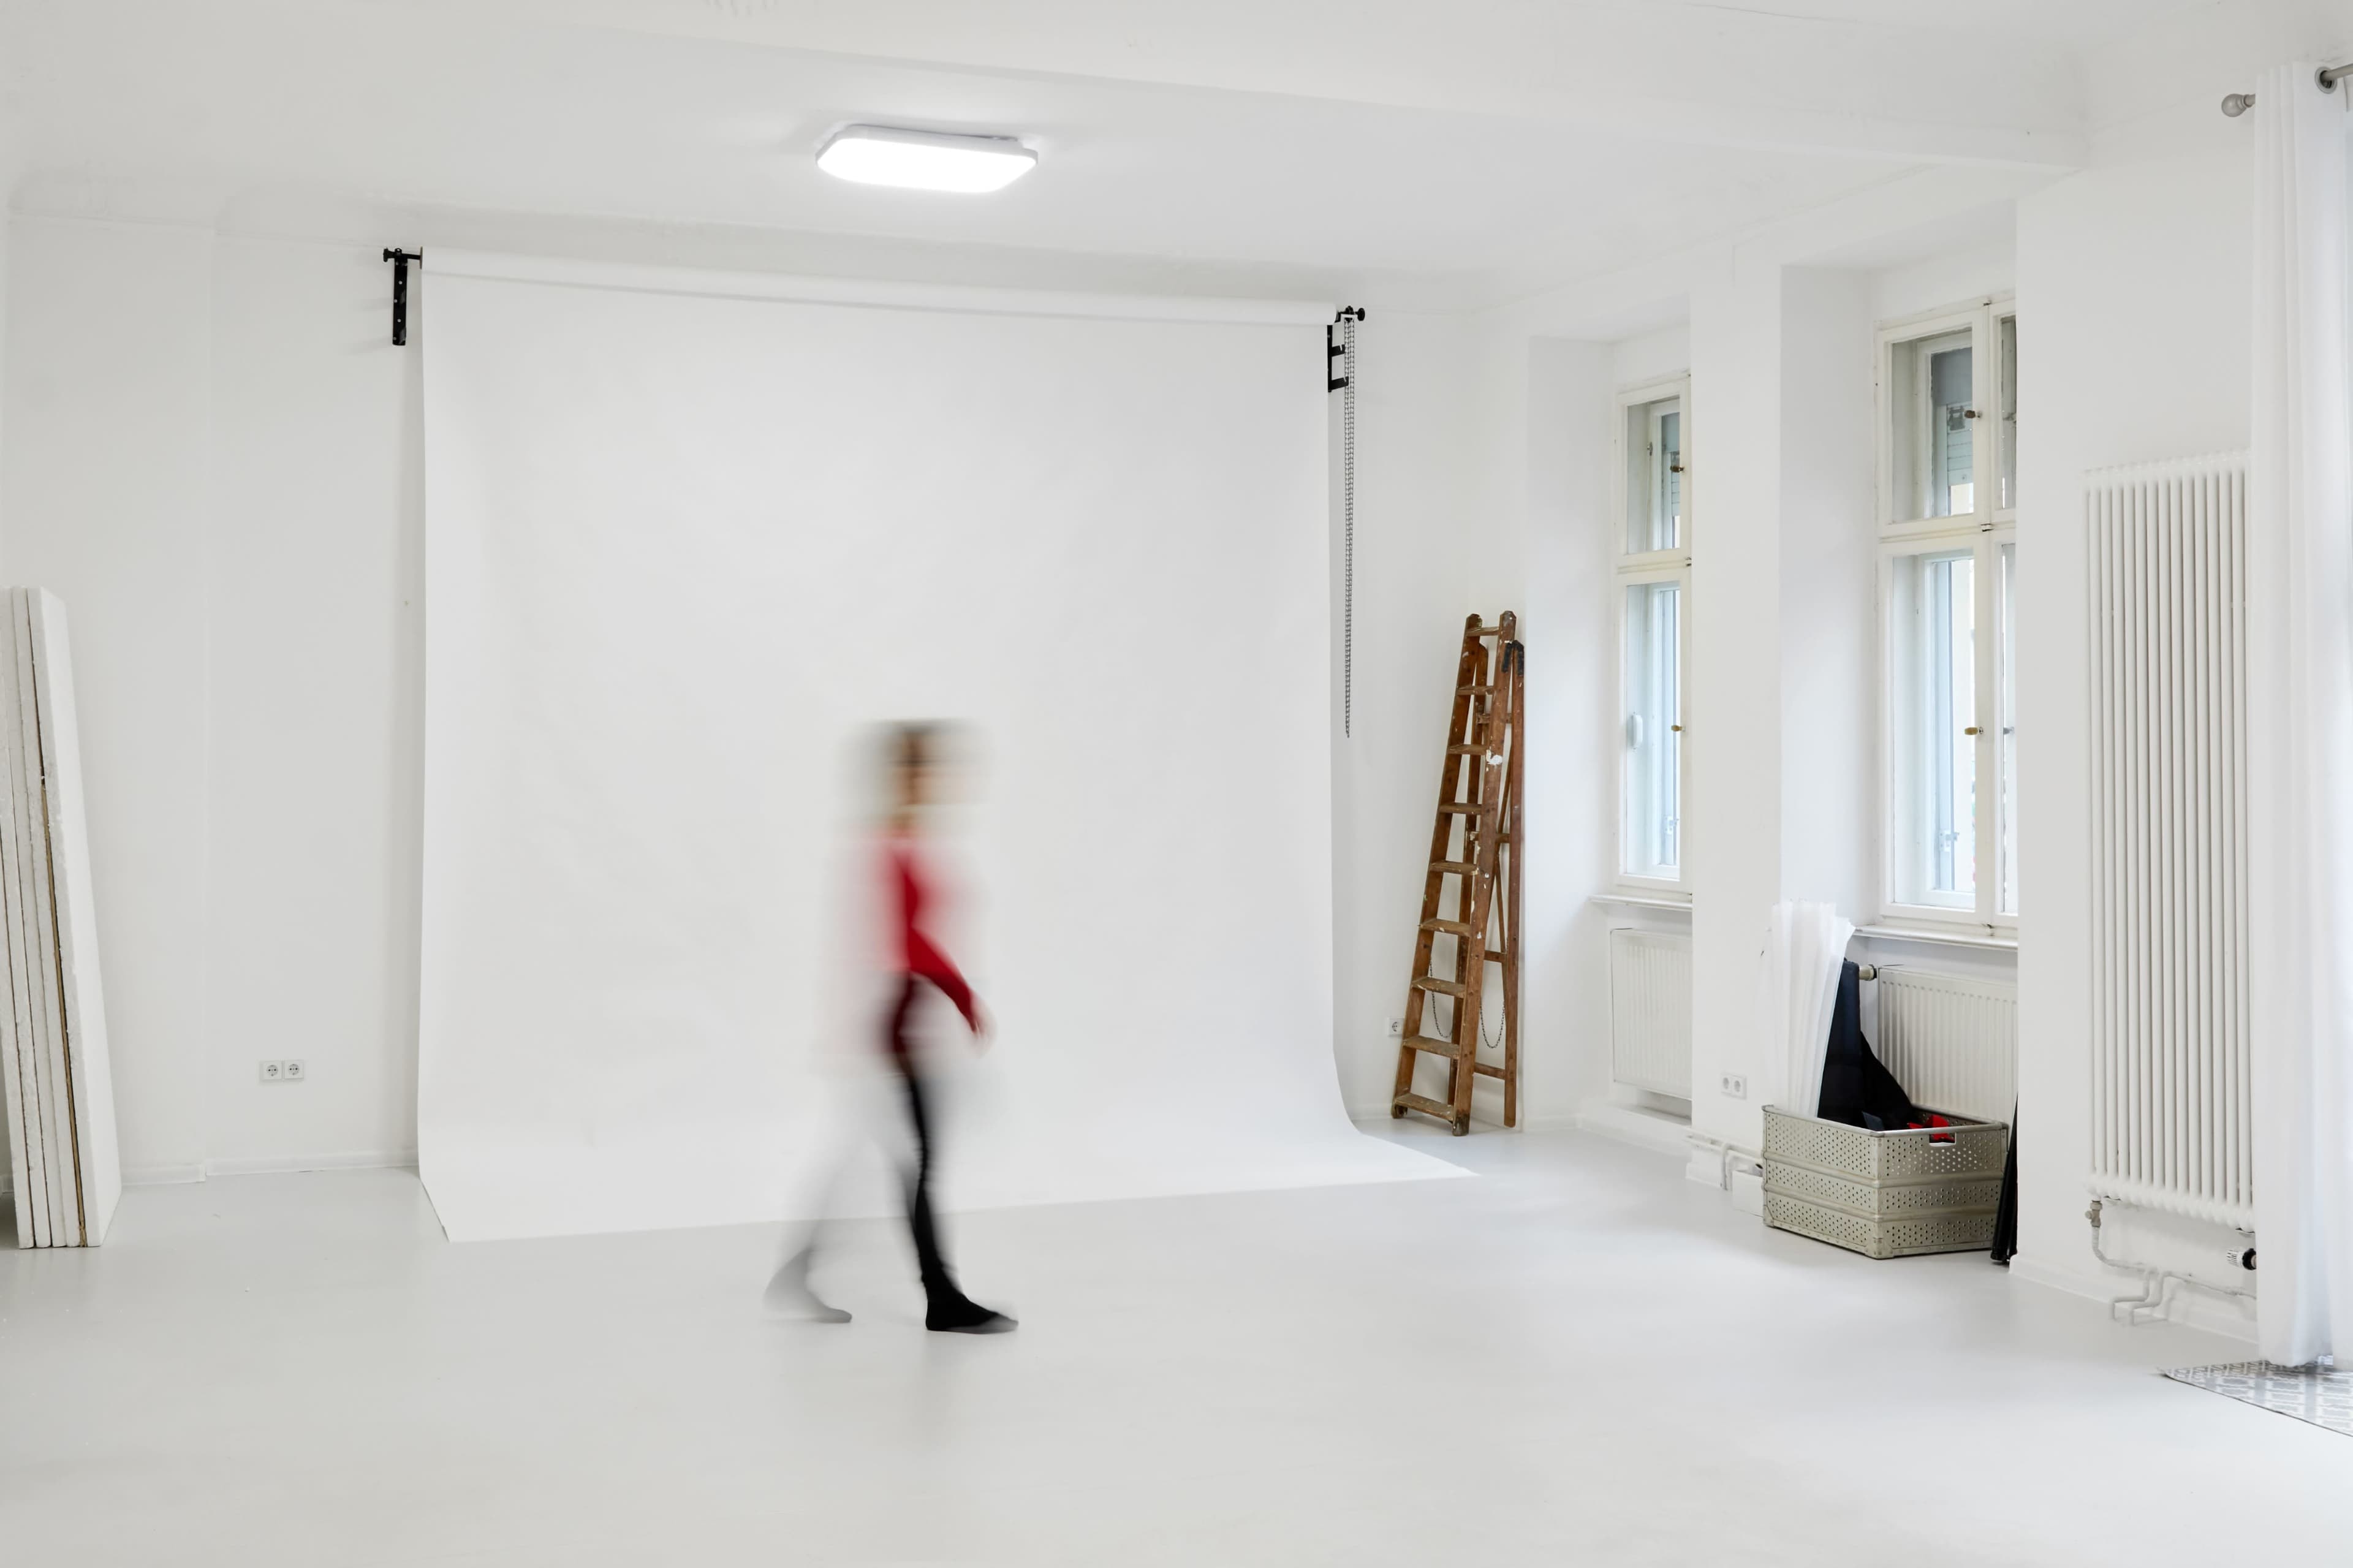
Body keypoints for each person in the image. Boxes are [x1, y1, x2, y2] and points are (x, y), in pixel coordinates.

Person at [766, 723, 1014, 1335]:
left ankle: (798, 1275)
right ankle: (941, 1298)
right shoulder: (888, 846)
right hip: (896, 1017)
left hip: (897, 1016)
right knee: (914, 1161)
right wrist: (961, 997)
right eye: (918, 768)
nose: (929, 779)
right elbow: (909, 944)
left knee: (879, 1156)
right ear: (901, 776)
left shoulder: (901, 842)